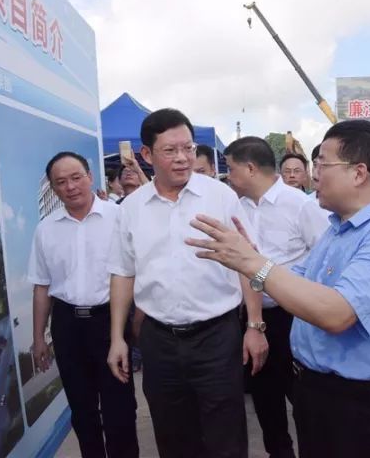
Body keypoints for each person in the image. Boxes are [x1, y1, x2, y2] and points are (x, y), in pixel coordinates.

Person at [188, 120, 370, 458]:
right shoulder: (339, 230)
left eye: (322, 164)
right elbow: (291, 283)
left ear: (359, 173)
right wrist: (249, 263)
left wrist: (254, 264)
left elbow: (337, 313)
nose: (313, 174)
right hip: (319, 393)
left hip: (364, 406)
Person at [107, 108, 268, 458]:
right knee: (172, 433)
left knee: (226, 434)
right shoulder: (131, 208)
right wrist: (117, 337)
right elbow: (122, 273)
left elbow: (248, 263)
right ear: (146, 155)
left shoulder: (220, 197)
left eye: (188, 148)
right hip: (159, 340)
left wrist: (255, 326)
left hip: (217, 337)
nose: (182, 158)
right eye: (170, 150)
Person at [224, 136, 329, 458]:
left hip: (296, 316)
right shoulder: (234, 208)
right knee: (265, 399)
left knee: (306, 400)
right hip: (254, 319)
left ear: (251, 168)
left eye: (230, 168)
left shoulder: (301, 205)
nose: (228, 176)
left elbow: (326, 259)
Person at [28, 151, 138, 458]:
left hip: (110, 322)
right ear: (53, 188)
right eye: (61, 182)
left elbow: (135, 273)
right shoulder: (46, 229)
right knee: (82, 408)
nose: (71, 186)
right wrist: (39, 339)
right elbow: (42, 287)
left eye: (76, 177)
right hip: (67, 325)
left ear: (90, 176)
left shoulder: (119, 218)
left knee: (120, 409)